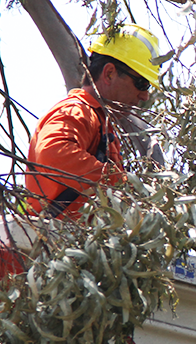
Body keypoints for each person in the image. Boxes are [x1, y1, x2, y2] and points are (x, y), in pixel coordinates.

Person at [25, 24, 166, 218]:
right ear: (109, 73)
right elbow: (53, 153)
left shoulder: (100, 122)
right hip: (60, 241)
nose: (144, 95)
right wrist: (121, 182)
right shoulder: (76, 111)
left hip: (80, 242)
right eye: (141, 83)